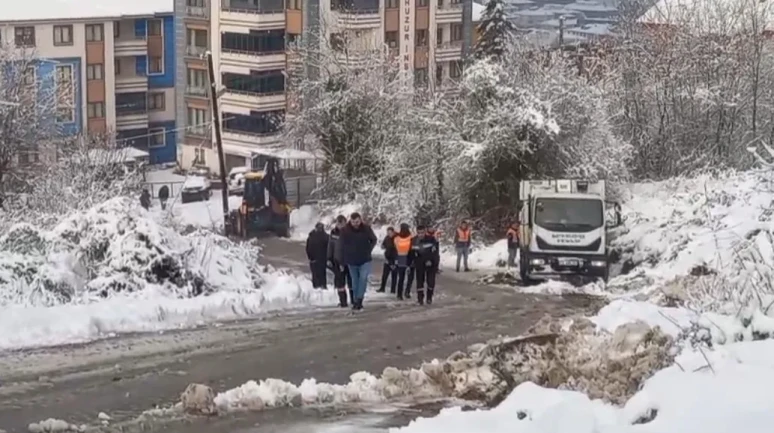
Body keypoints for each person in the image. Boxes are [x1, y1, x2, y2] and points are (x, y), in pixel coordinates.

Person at [339, 212, 377, 311]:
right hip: (351, 260)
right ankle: (356, 300)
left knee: (363, 279)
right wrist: (342, 261)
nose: (356, 224)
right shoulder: (345, 231)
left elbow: (374, 239)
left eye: (357, 222)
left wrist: (368, 249)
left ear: (360, 220)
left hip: (364, 259)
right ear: (350, 221)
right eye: (353, 222)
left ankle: (359, 299)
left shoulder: (366, 229)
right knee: (355, 281)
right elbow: (341, 246)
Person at [411, 225, 440, 305]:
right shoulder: (413, 240)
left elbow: (435, 253)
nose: (421, 235)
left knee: (430, 282)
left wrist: (434, 263)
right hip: (419, 264)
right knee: (420, 282)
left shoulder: (431, 240)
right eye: (419, 233)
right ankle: (420, 299)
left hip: (430, 264)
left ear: (425, 232)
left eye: (422, 233)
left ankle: (429, 297)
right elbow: (411, 254)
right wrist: (411, 263)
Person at [328, 215, 353, 307]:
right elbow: (330, 246)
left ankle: (354, 300)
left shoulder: (349, 233)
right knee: (340, 283)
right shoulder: (334, 232)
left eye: (341, 223)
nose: (339, 225)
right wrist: (329, 258)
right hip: (337, 261)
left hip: (349, 261)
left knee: (351, 282)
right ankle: (343, 302)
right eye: (338, 223)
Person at [393, 223, 414, 300]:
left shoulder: (396, 238)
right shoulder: (411, 237)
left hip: (401, 259)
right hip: (408, 259)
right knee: (408, 277)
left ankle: (400, 294)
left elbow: (395, 249)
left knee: (402, 277)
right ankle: (406, 292)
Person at [306, 222, 330, 289]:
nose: (320, 229)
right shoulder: (312, 236)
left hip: (321, 259)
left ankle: (320, 288)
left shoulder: (325, 237)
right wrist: (310, 257)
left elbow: (329, 248)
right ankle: (319, 288)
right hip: (316, 259)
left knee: (320, 275)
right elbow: (308, 248)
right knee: (317, 275)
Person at [378, 227, 397, 293]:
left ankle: (393, 289)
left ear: (393, 232)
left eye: (390, 233)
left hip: (394, 259)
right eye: (388, 233)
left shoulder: (396, 238)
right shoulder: (387, 238)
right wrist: (383, 246)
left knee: (394, 275)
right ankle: (382, 288)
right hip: (387, 258)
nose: (389, 234)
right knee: (384, 275)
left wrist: (394, 262)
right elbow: (383, 245)